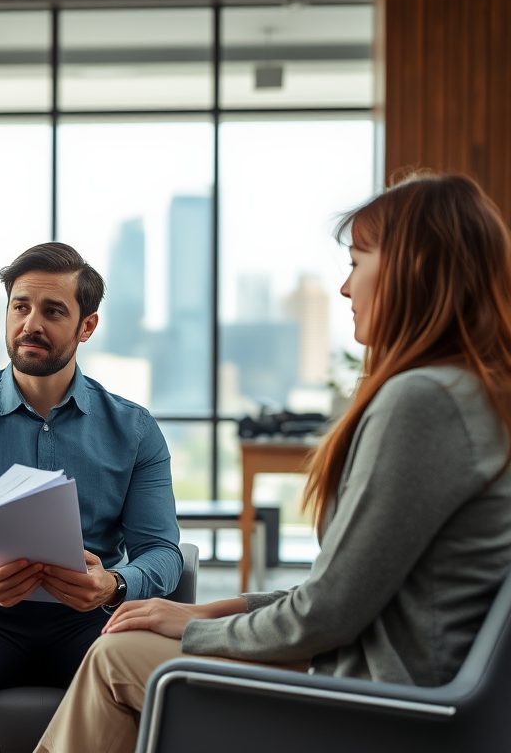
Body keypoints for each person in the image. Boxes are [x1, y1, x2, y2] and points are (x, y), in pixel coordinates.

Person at [33, 173, 511, 753]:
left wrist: (198, 625)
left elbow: (328, 613)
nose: (344, 288)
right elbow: (342, 592)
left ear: (413, 271)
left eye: (357, 261)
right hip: (393, 689)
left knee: (114, 659)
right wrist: (205, 608)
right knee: (125, 650)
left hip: (383, 708)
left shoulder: (423, 403)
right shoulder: (471, 393)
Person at [0, 242, 182, 750]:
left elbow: (163, 552)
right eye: (20, 306)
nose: (31, 323)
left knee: (154, 680)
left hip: (87, 615)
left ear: (86, 327)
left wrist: (114, 584)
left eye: (53, 311)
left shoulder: (135, 429)